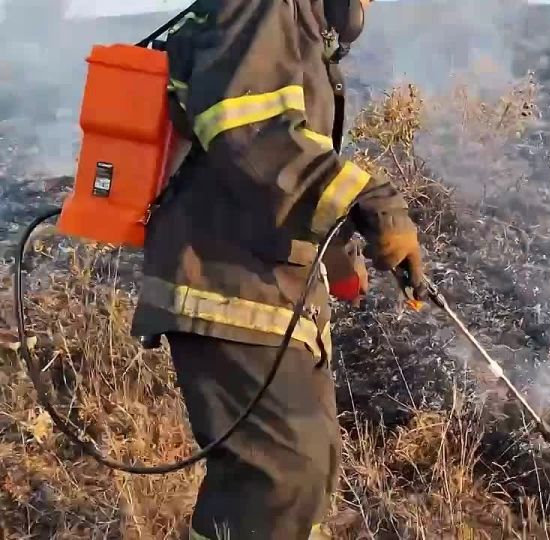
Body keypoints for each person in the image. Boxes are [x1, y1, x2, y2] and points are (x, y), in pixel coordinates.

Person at [129, 1, 424, 538]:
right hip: (222, 281)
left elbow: (280, 161)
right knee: (278, 478)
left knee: (304, 471)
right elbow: (250, 129)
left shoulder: (298, 22)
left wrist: (335, 252)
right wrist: (369, 199)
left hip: (267, 283)